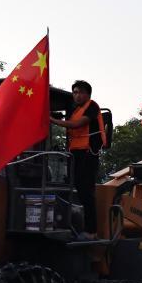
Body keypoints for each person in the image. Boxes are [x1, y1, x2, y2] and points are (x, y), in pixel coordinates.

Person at [50, 80, 106, 235]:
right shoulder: (75, 111)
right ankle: (74, 225)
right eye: (75, 92)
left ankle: (91, 231)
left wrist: (51, 120)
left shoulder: (92, 107)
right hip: (75, 154)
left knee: (85, 191)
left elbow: (77, 125)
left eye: (80, 92)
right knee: (74, 188)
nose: (77, 95)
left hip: (88, 154)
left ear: (88, 94)